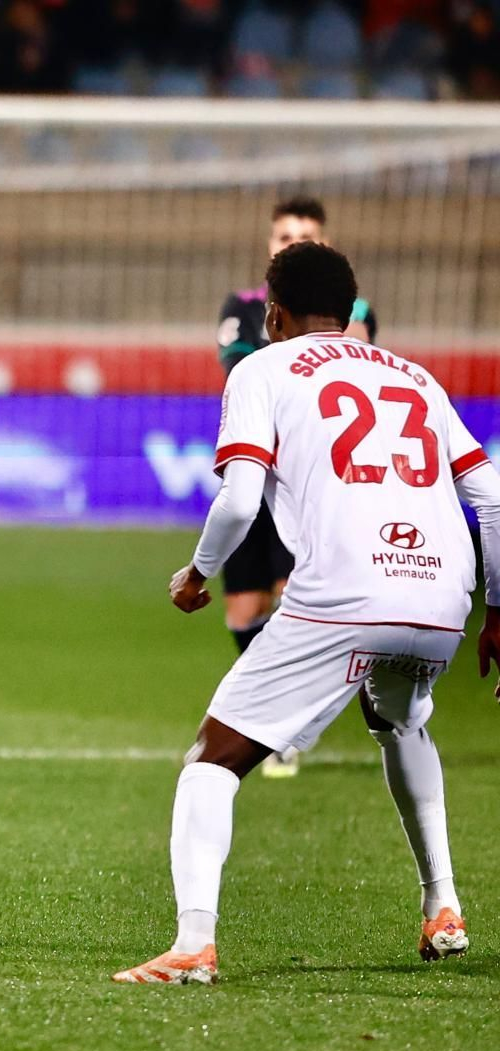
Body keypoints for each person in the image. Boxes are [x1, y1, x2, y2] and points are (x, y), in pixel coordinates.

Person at [113, 241, 498, 984]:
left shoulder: (261, 367)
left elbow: (239, 498)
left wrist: (199, 574)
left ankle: (193, 946)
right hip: (443, 596)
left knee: (210, 764)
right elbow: (494, 498)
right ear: (353, 311)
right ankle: (442, 904)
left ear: (273, 314)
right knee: (400, 719)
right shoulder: (416, 376)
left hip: (345, 592)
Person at [215, 196, 378, 778]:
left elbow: (354, 359)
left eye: (303, 234)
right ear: (268, 243)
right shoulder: (242, 304)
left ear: (324, 243)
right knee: (243, 608)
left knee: (296, 596)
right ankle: (283, 720)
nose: (290, 241)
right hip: (254, 467)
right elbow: (236, 359)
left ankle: (281, 727)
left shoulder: (355, 308)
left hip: (311, 480)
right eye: (283, 233)